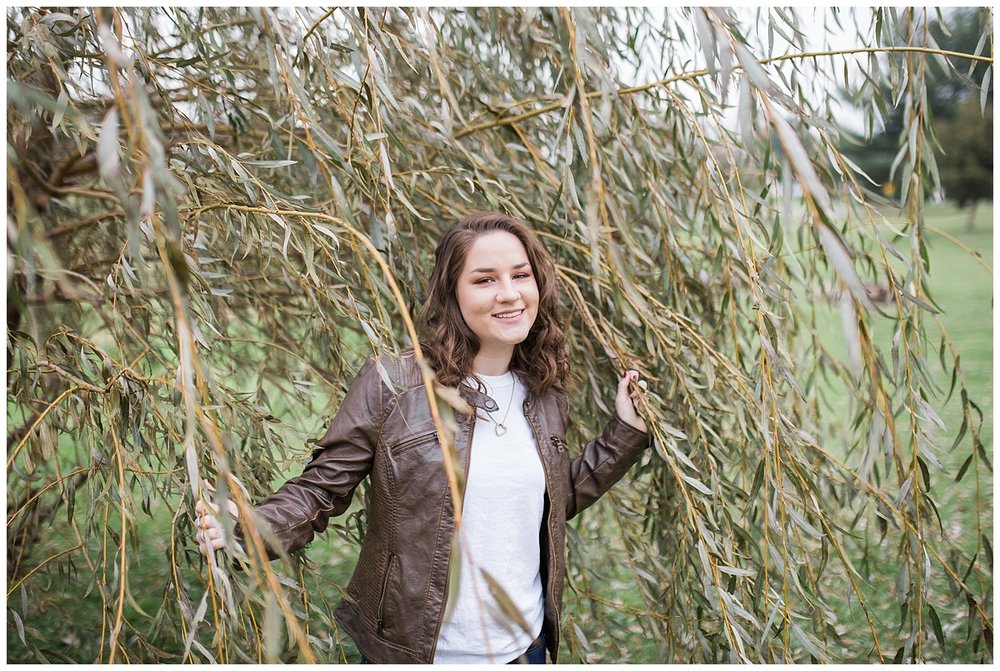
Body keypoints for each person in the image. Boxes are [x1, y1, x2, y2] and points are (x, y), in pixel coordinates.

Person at [195, 211, 650, 664]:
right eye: (485, 280)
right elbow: (320, 491)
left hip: (523, 651)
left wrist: (624, 435)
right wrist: (252, 526)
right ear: (452, 293)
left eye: (521, 275)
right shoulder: (393, 384)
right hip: (418, 653)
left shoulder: (544, 394)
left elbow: (547, 503)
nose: (509, 294)